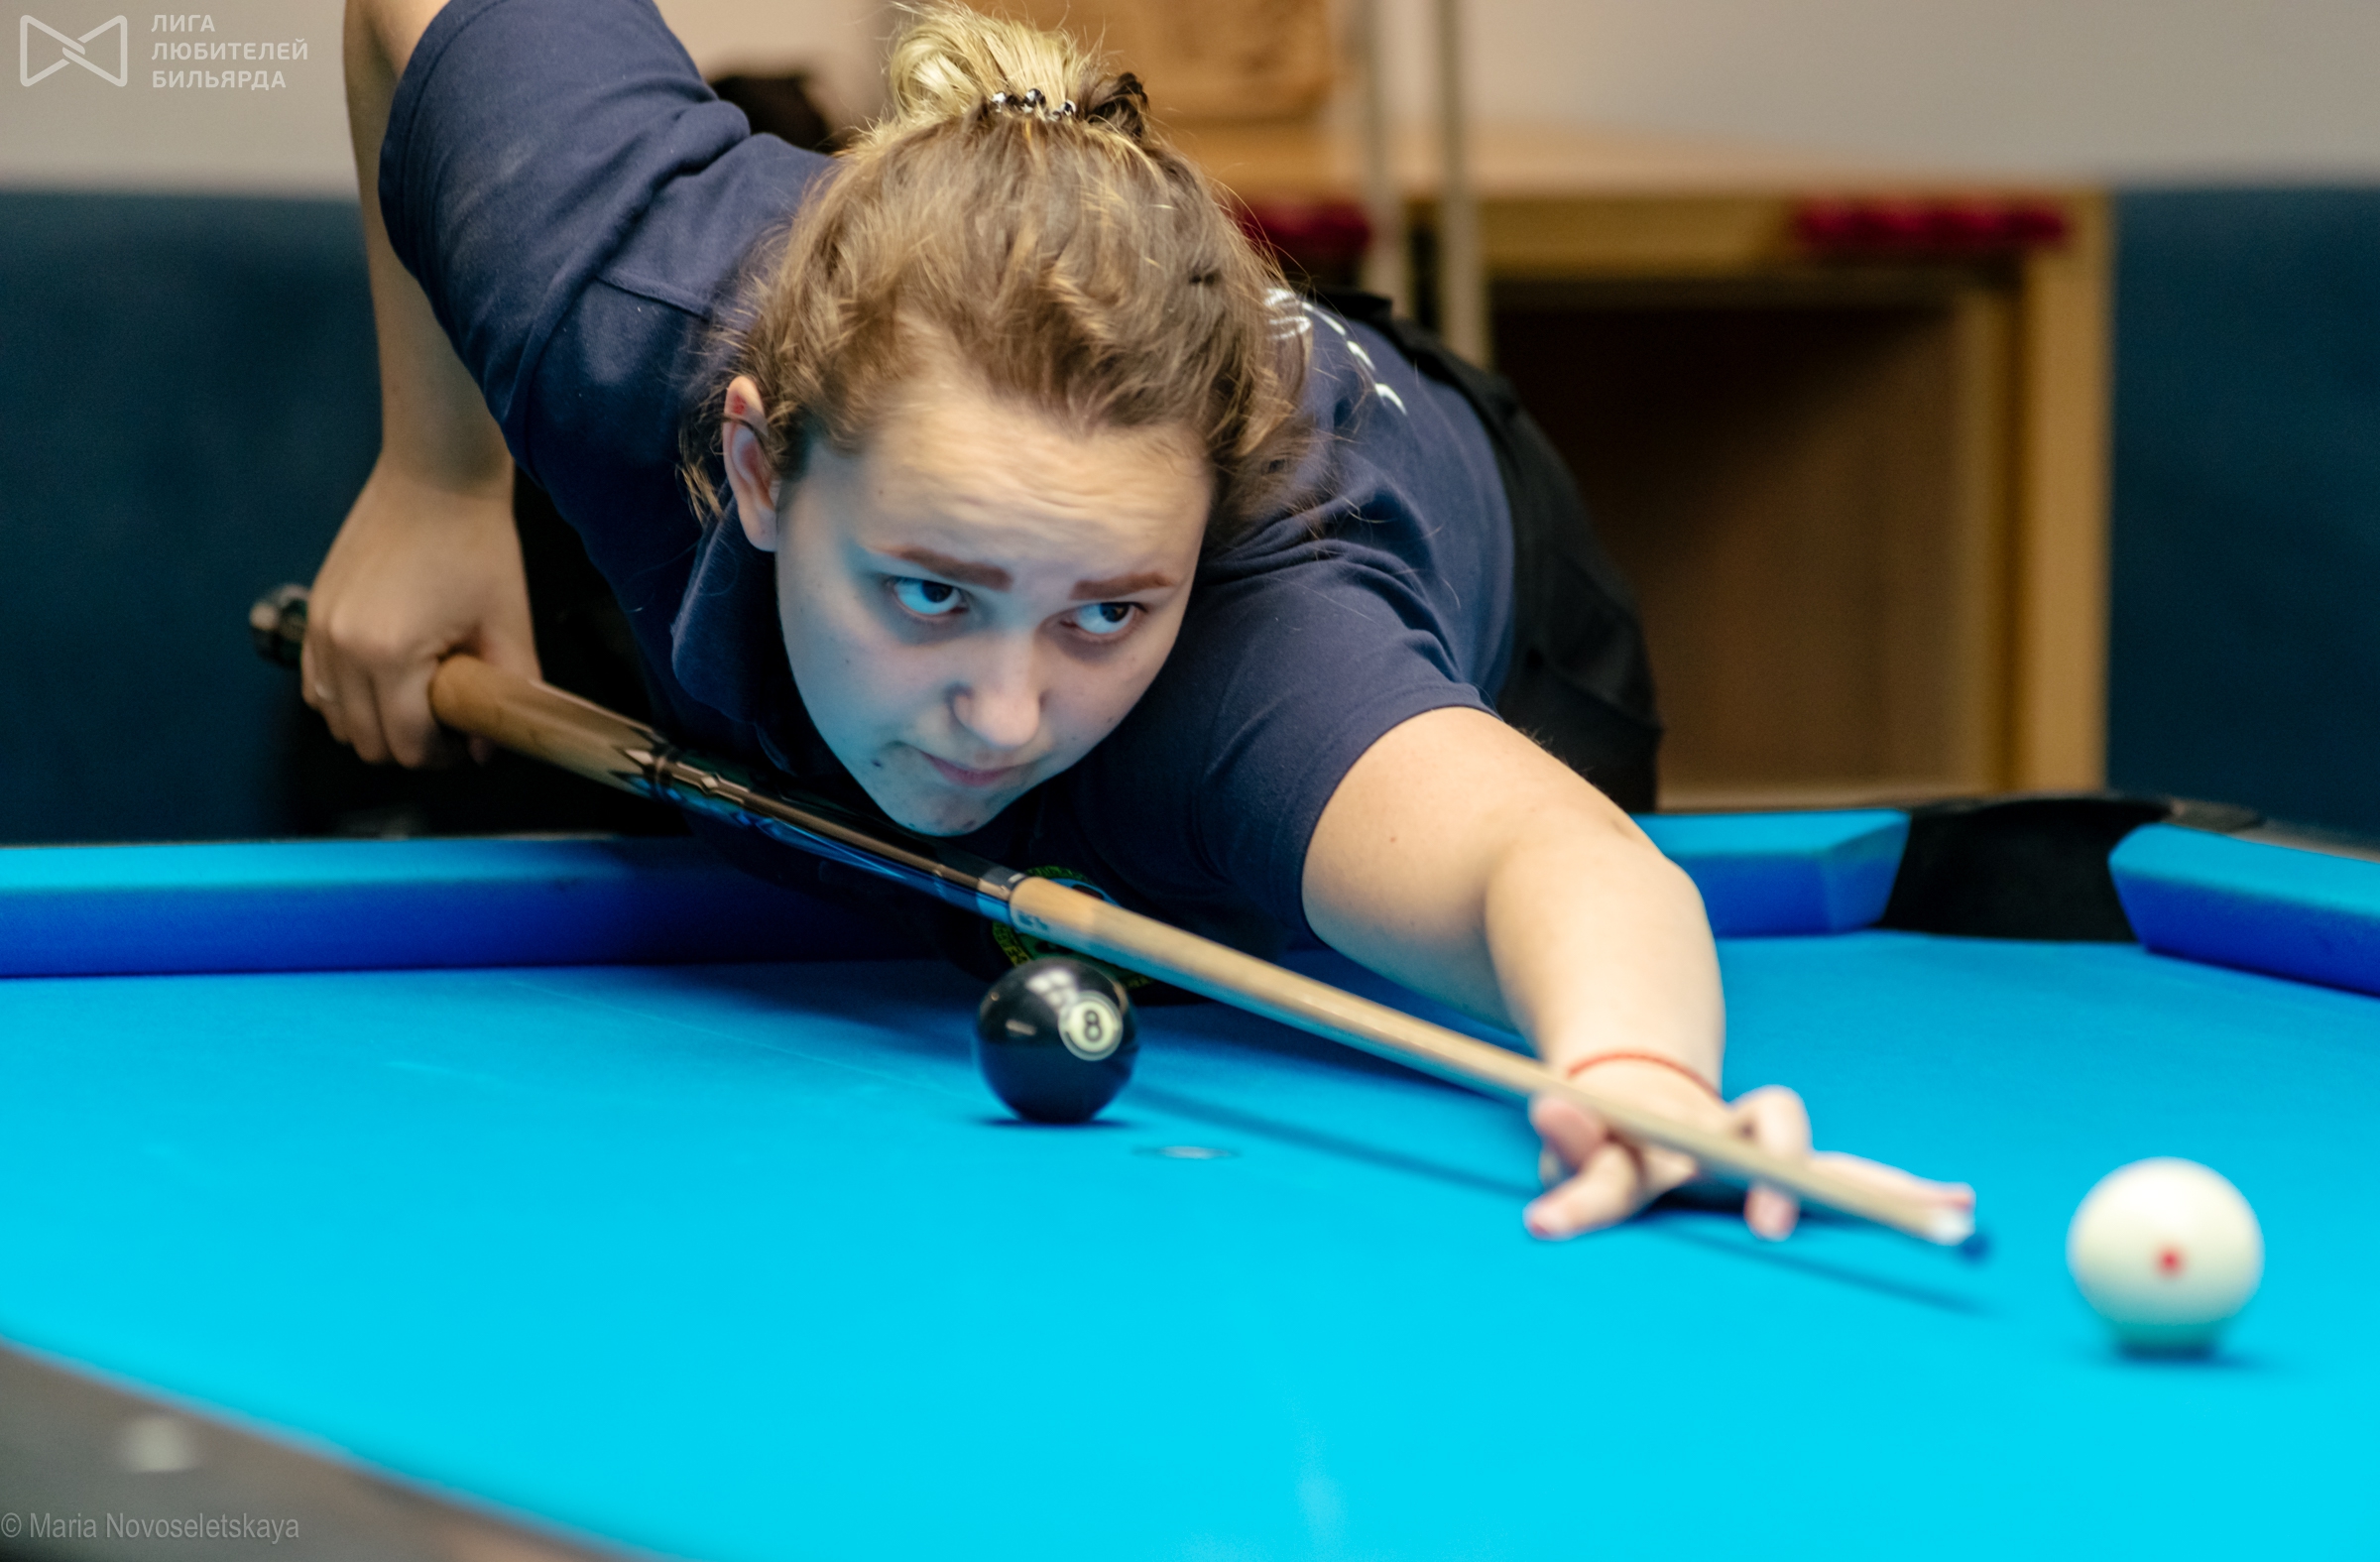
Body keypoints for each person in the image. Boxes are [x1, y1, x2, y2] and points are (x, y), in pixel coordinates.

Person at [310, 0, 1968, 1241]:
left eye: (1104, 612)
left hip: (1506, 600)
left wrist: (1641, 1074)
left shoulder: (1263, 664)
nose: (1006, 712)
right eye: (933, 591)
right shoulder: (611, 289)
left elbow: (1559, 862)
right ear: (756, 466)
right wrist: (437, 479)